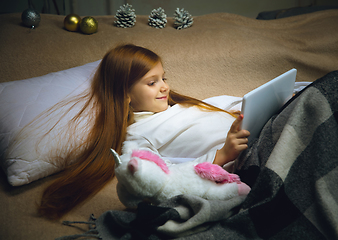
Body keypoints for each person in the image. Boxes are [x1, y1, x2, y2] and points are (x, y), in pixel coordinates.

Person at [38, 44, 250, 219]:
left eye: (163, 78)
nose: (165, 87)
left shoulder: (180, 106)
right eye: (152, 82)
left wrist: (237, 110)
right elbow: (168, 178)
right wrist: (222, 155)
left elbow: (217, 107)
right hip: (246, 159)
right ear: (125, 94)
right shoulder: (139, 135)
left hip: (256, 128)